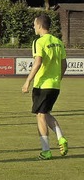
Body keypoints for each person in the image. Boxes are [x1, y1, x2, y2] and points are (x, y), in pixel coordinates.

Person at [22, 14, 68, 160]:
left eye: (34, 25)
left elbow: (38, 62)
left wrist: (28, 81)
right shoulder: (58, 42)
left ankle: (46, 151)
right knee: (46, 113)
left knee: (40, 115)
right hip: (55, 85)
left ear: (40, 26)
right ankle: (61, 138)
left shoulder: (39, 41)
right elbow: (64, 65)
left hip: (42, 85)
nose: (33, 27)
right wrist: (57, 79)